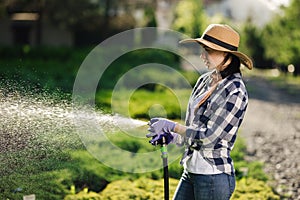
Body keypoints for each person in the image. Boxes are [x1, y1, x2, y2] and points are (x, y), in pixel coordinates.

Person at [146, 24, 253, 200]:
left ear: (227, 54)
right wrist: (173, 137)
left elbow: (210, 137)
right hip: (191, 172)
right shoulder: (205, 80)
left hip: (212, 177)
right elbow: (194, 126)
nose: (202, 55)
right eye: (203, 50)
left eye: (209, 51)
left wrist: (173, 126)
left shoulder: (235, 91)